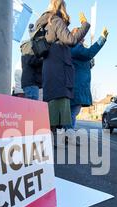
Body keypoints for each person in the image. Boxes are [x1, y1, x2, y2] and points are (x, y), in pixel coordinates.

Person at [35, 0, 90, 140]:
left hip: (50, 69)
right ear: (62, 7)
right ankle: (53, 141)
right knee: (59, 109)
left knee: (52, 106)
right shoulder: (56, 20)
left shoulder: (46, 22)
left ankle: (49, 139)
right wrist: (85, 26)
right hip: (60, 72)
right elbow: (70, 40)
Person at [68, 27, 109, 130]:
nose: (84, 40)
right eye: (82, 37)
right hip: (77, 87)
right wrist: (102, 38)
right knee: (72, 113)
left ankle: (67, 133)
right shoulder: (76, 47)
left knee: (72, 113)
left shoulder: (74, 48)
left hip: (78, 87)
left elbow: (80, 65)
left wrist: (89, 64)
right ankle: (68, 134)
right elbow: (90, 53)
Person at [21, 24, 43, 100]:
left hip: (32, 82)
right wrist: (43, 59)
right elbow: (30, 60)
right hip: (31, 82)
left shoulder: (29, 45)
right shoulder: (29, 45)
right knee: (32, 108)